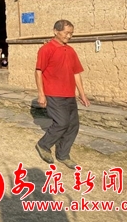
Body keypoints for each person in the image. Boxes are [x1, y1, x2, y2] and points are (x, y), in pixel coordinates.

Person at [35, 20, 91, 169]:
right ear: (56, 31)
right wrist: (41, 94)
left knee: (73, 126)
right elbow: (38, 72)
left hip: (69, 94)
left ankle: (63, 155)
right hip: (53, 93)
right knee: (61, 123)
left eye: (71, 33)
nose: (69, 36)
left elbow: (76, 73)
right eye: (66, 33)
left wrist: (82, 94)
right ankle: (43, 145)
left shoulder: (71, 51)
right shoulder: (46, 49)